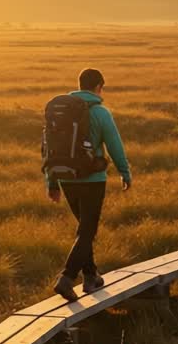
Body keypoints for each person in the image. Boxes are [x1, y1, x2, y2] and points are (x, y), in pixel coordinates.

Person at [45, 68, 132, 301]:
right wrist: (124, 172)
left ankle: (91, 276)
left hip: (65, 178)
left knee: (84, 230)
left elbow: (50, 148)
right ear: (99, 87)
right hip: (92, 179)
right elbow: (115, 145)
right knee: (87, 231)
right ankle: (66, 278)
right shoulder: (100, 112)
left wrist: (51, 182)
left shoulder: (61, 111)